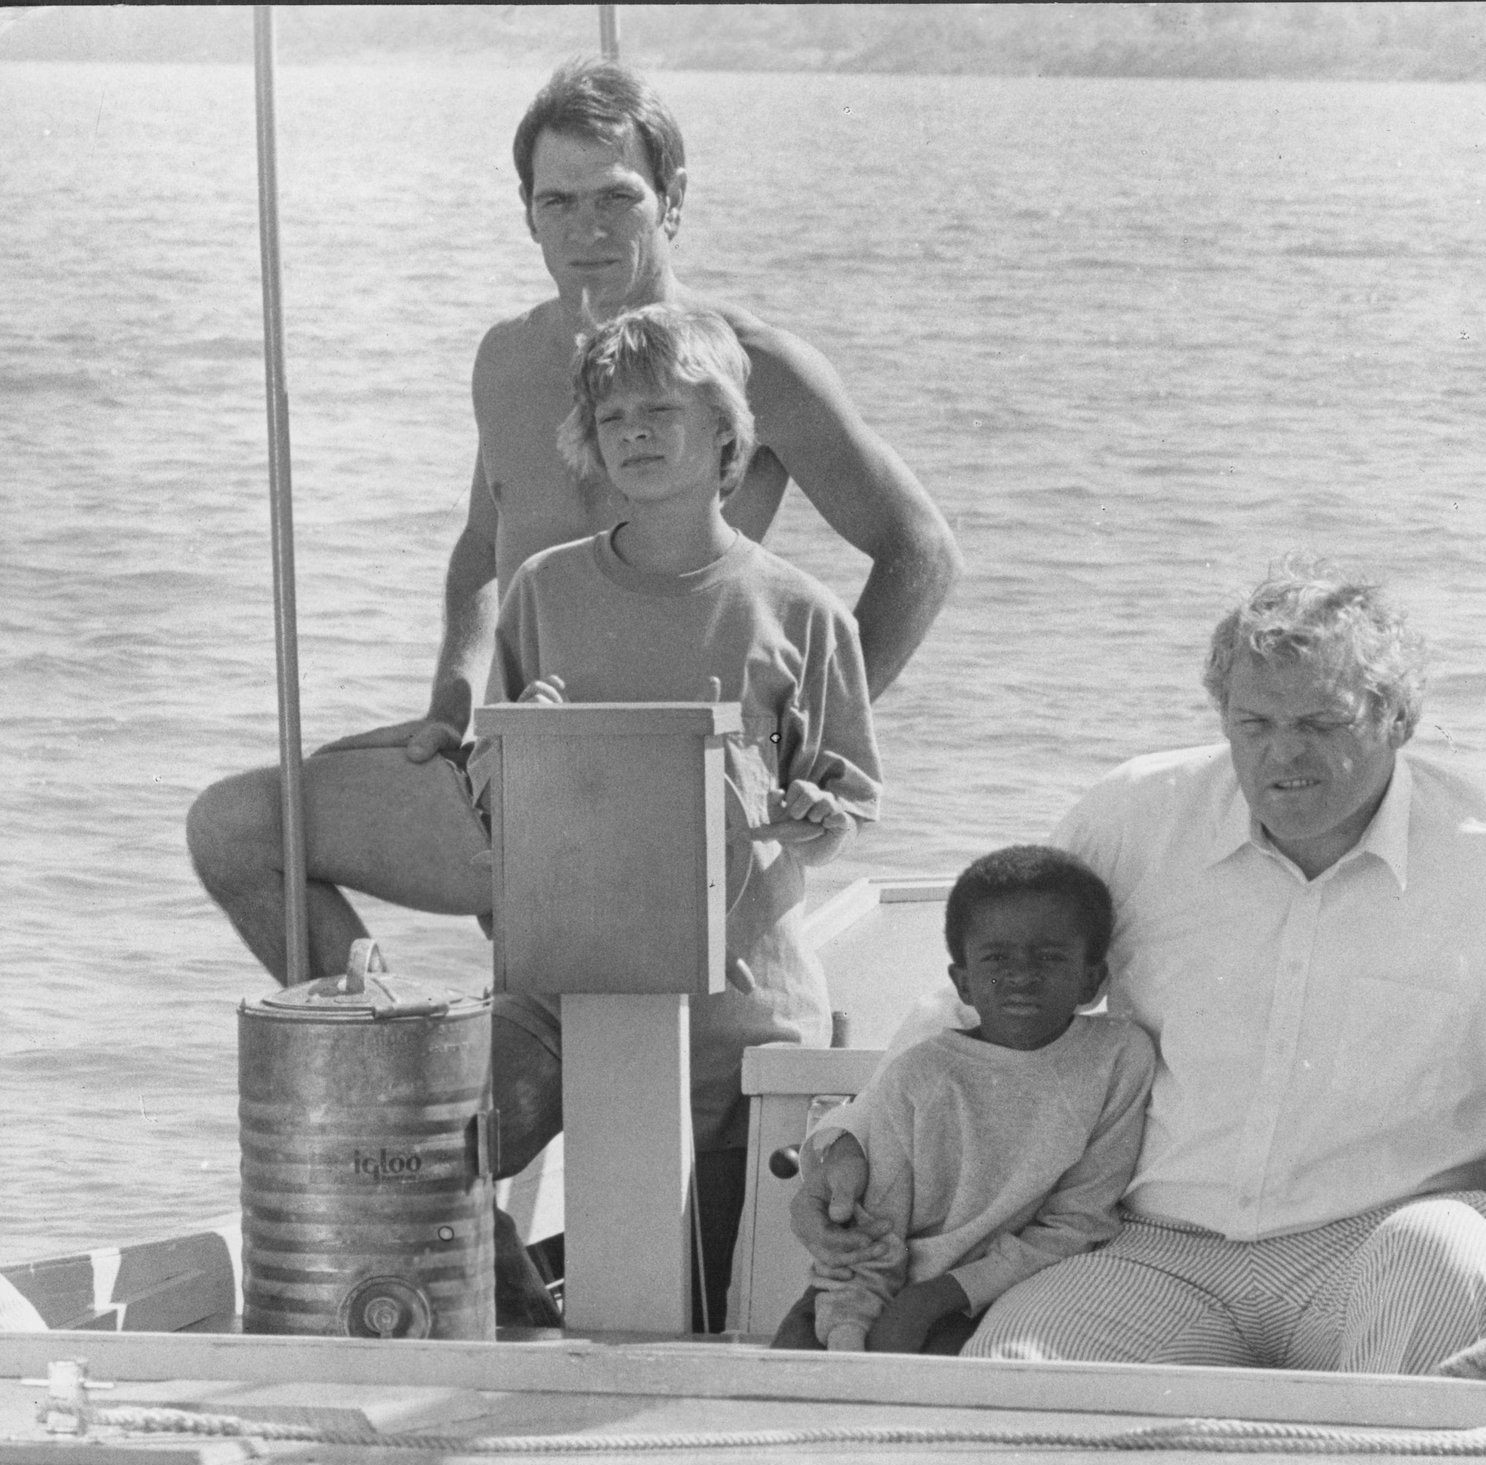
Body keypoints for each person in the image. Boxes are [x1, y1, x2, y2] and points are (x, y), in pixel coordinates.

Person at [182, 58, 959, 1314]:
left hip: (682, 845)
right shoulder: (506, 360)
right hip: (522, 794)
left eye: (618, 199)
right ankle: (439, 1141)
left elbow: (922, 549)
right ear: (526, 212)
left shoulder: (749, 364)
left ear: (674, 198)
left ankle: (523, 1195)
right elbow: (483, 542)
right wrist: (451, 692)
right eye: (560, 203)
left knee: (690, 1247)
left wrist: (805, 756)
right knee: (237, 826)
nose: (590, 230)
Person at [791, 563, 1486, 1377]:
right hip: (1151, 1248)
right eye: (1254, 723)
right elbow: (975, 1001)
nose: (1283, 757)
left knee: (1443, 1264)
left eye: (1321, 723)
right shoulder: (1136, 817)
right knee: (1014, 1371)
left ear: (1398, 718)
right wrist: (847, 1145)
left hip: (1385, 1237)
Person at [487, 302, 879, 1329]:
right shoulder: (541, 590)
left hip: (739, 1006)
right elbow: (491, 794)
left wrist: (807, 817)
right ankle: (526, 1326)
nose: (639, 433)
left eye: (665, 409)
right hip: (562, 984)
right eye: (613, 417)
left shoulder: (802, 611)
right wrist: (525, 746)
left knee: (697, 1304)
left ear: (727, 435)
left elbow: (843, 810)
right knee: (422, 1152)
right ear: (588, 442)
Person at [772, 846, 1156, 1355]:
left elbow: (1079, 1221)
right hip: (865, 1290)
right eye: (996, 958)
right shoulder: (920, 1076)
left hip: (1000, 1293)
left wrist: (932, 1300)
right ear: (963, 982)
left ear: (1092, 980)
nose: (1022, 974)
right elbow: (871, 1236)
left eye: (1050, 956)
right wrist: (851, 1335)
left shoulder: (1119, 1058)